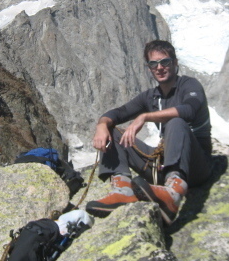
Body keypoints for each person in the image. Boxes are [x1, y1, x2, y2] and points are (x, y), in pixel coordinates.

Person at [86, 40, 213, 224]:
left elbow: (189, 110)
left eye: (165, 62)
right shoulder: (151, 96)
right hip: (162, 165)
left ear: (175, 63)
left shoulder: (189, 85)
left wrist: (145, 117)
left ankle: (173, 193)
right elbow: (119, 113)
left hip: (196, 165)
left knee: (176, 122)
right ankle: (123, 191)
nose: (159, 68)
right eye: (154, 64)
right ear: (149, 68)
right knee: (112, 132)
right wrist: (101, 125)